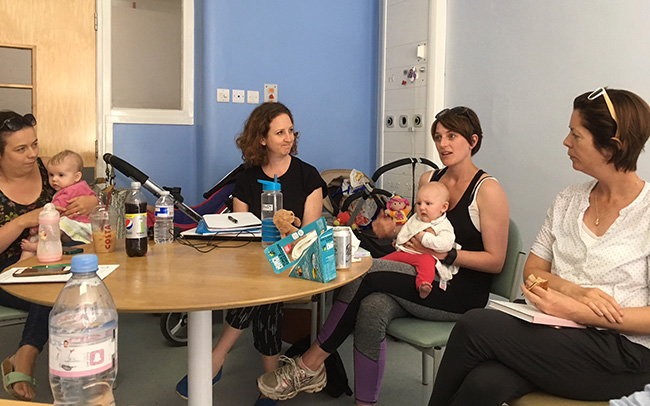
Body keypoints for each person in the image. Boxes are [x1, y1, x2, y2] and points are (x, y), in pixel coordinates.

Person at [256, 106, 510, 405]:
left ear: (473, 141)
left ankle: (309, 364)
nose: (443, 144)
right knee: (372, 308)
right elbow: (419, 228)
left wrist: (445, 253)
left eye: (452, 136)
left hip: (460, 291)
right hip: (421, 275)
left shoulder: (487, 190)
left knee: (366, 273)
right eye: (438, 136)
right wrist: (395, 230)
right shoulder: (430, 179)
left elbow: (496, 261)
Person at [428, 88, 650, 406]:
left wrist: (580, 311)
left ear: (611, 147)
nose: (566, 142)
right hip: (558, 332)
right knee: (484, 383)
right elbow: (532, 271)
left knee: (474, 325)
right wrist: (574, 293)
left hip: (622, 351)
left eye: (576, 134)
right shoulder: (568, 200)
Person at [174, 102, 326, 406]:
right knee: (264, 291)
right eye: (280, 132)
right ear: (261, 138)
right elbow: (240, 232)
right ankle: (272, 382)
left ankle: (217, 357)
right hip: (254, 265)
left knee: (265, 288)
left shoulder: (308, 176)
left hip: (295, 262)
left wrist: (283, 240)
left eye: (291, 131)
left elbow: (309, 236)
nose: (289, 138)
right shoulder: (246, 178)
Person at [0, 111, 98, 401]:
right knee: (56, 291)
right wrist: (22, 221)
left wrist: (90, 202)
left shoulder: (48, 170)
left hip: (52, 259)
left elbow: (84, 198)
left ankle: (83, 366)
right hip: (7, 266)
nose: (32, 154)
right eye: (21, 149)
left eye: (34, 144)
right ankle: (27, 354)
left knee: (75, 283)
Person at [382, 182, 457, 298]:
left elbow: (445, 245)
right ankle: (372, 265)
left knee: (427, 262)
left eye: (428, 203)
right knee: (385, 261)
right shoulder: (416, 218)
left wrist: (424, 237)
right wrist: (400, 240)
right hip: (404, 253)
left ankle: (423, 285)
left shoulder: (444, 226)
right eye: (419, 203)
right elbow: (406, 229)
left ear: (443, 207)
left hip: (423, 257)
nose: (422, 207)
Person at [20, 149, 96, 259]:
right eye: (51, 175)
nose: (54, 179)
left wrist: (35, 228)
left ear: (77, 177)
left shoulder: (69, 191)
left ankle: (39, 247)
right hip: (73, 228)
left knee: (57, 224)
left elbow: (52, 213)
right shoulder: (81, 186)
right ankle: (22, 261)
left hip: (80, 225)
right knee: (34, 238)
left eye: (61, 175)